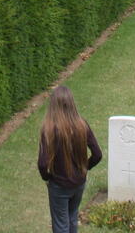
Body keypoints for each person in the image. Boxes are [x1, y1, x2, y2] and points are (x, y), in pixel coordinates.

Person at [38, 86, 101, 233]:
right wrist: (85, 168)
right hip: (79, 183)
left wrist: (47, 177)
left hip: (59, 185)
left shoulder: (49, 129)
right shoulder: (82, 125)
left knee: (61, 224)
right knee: (72, 218)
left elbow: (42, 164)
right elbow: (97, 154)